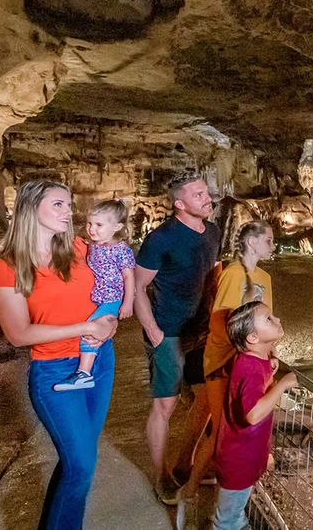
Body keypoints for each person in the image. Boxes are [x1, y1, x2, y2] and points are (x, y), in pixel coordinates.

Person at [0, 180, 118, 530]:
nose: (68, 212)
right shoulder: (7, 266)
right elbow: (18, 334)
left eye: (68, 204)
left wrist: (112, 317)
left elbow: (110, 285)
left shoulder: (79, 248)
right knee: (80, 466)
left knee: (80, 463)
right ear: (31, 208)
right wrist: (85, 329)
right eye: (59, 204)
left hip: (99, 361)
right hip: (56, 370)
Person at [133, 171, 221, 500]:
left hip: (199, 330)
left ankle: (186, 464)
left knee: (207, 398)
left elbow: (210, 273)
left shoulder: (212, 232)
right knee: (165, 405)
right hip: (166, 331)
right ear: (180, 204)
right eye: (198, 195)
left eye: (205, 191)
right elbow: (139, 286)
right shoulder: (161, 239)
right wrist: (153, 331)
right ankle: (162, 475)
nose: (207, 197)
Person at [178, 220, 276, 504]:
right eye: (268, 239)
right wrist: (242, 353)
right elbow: (220, 320)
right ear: (252, 242)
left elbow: (266, 321)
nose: (272, 245)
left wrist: (268, 355)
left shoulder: (265, 278)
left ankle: (201, 477)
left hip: (249, 364)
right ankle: (192, 490)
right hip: (224, 362)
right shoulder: (233, 273)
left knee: (229, 427)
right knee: (224, 430)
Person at [213, 301, 297, 530]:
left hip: (244, 455)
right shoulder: (249, 368)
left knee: (233, 512)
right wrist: (282, 386)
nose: (277, 320)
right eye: (269, 319)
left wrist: (270, 363)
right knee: (225, 520)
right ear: (252, 338)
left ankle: (240, 524)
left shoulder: (253, 360)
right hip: (238, 461)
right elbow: (252, 414)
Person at [54, 199, 135, 391]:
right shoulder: (94, 245)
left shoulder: (120, 249)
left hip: (111, 298)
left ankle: (84, 373)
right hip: (98, 298)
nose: (92, 229)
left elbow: (129, 276)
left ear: (117, 226)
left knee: (91, 331)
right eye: (90, 223)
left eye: (99, 225)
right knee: (94, 330)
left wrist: (128, 303)